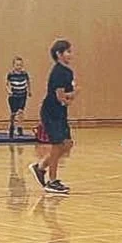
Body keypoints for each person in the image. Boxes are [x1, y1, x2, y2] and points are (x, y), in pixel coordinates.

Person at [31, 39, 75, 195]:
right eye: (68, 51)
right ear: (59, 54)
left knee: (67, 144)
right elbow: (60, 97)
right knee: (57, 145)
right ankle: (52, 181)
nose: (71, 54)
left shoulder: (68, 72)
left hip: (60, 113)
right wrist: (73, 96)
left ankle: (40, 167)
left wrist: (70, 96)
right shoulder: (58, 72)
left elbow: (66, 97)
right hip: (51, 112)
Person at [6, 55, 30, 137]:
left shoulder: (25, 74)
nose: (19, 67)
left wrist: (29, 90)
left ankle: (20, 127)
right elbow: (7, 84)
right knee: (13, 113)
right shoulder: (10, 74)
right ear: (13, 65)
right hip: (14, 96)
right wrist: (8, 90)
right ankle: (12, 125)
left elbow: (28, 82)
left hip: (22, 95)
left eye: (20, 65)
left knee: (21, 111)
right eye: (17, 65)